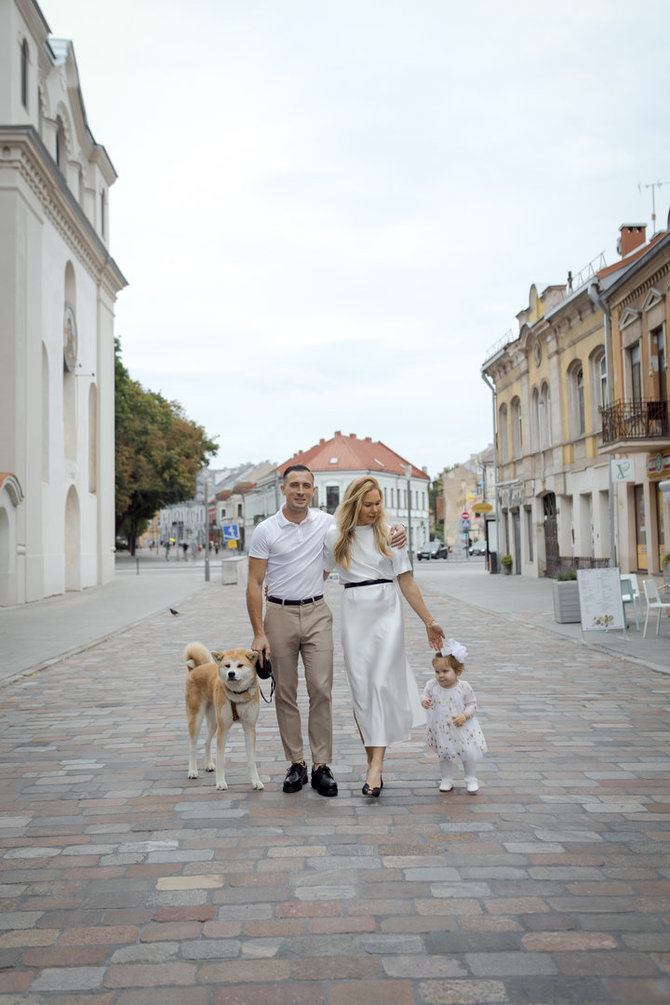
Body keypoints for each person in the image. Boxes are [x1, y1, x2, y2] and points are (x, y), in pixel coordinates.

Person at [247, 465, 407, 797]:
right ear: (283, 489)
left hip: (318, 611)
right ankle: (296, 763)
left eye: (306, 485)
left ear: (314, 490)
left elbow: (363, 522)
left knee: (321, 689)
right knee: (286, 693)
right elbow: (253, 582)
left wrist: (399, 528)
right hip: (278, 612)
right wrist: (258, 632)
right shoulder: (265, 530)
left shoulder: (326, 524)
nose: (300, 491)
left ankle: (321, 765)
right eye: (294, 485)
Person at [323, 476, 445, 798]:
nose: (375, 510)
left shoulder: (391, 533)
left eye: (378, 503)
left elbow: (405, 581)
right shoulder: (335, 535)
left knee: (380, 684)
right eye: (368, 505)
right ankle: (373, 764)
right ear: (353, 505)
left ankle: (375, 767)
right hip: (354, 611)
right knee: (362, 691)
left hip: (386, 611)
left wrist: (429, 621)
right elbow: (319, 573)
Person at [421, 638, 487, 794]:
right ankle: (446, 779)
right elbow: (424, 695)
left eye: (445, 671)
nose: (440, 675)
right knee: (444, 754)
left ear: (457, 671)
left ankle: (471, 778)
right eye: (437, 672)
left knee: (467, 752)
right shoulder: (432, 685)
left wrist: (465, 715)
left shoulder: (463, 687)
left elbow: (472, 704)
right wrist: (424, 700)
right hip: (442, 727)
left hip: (462, 726)